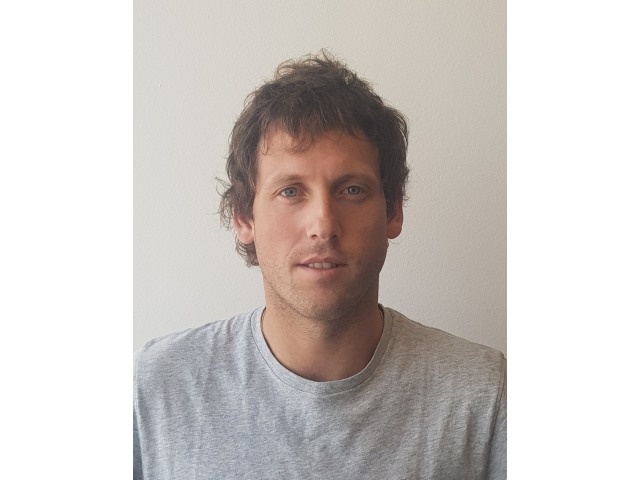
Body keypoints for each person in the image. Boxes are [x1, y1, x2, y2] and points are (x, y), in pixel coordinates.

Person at [133, 52, 506, 479]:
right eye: (290, 191)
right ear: (243, 217)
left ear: (393, 211)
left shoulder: (482, 395)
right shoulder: (157, 388)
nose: (323, 226)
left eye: (352, 190)